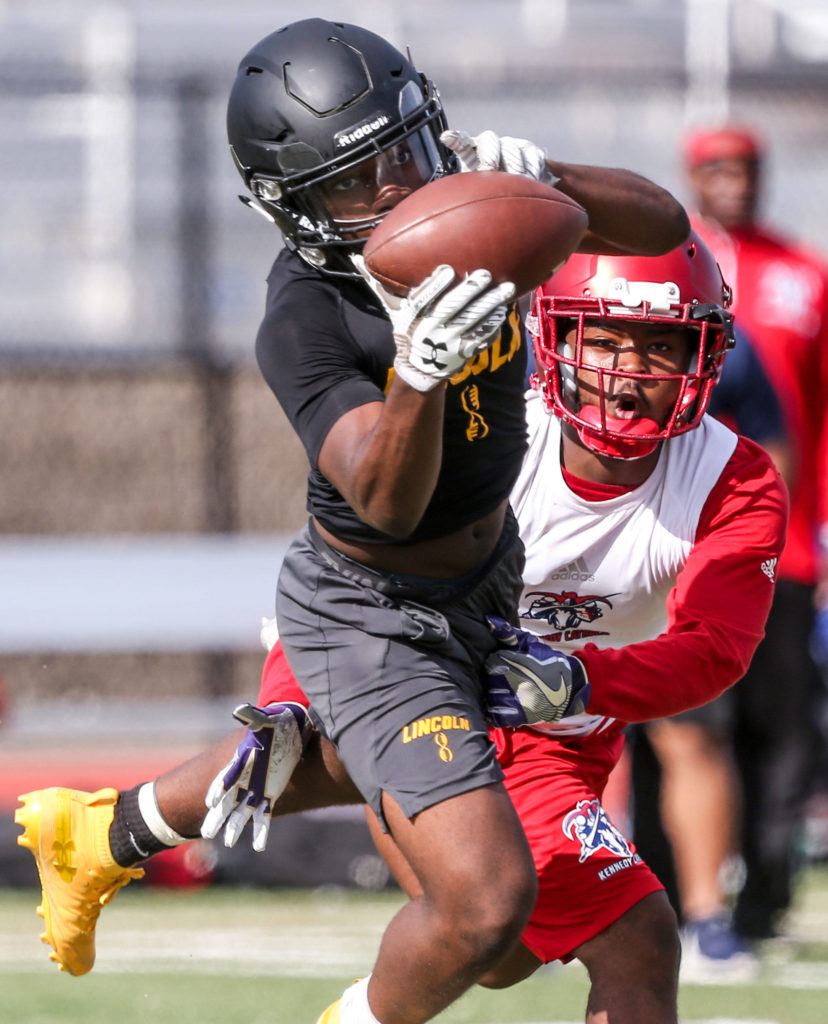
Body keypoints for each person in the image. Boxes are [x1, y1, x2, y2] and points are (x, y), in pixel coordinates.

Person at [14, 17, 692, 1024]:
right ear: (292, 209)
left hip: (486, 581)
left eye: (404, 155)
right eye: (351, 181)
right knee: (486, 903)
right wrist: (418, 368)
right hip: (370, 611)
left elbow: (662, 224)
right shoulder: (306, 315)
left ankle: (111, 830)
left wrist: (550, 177)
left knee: (497, 932)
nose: (393, 193)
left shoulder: (463, 204)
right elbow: (385, 500)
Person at [630, 123, 828, 977]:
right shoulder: (648, 267)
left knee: (769, 733)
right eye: (716, 168)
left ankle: (751, 902)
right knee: (650, 728)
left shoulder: (802, 274)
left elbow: (787, 426)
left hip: (773, 546)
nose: (734, 181)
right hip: (648, 549)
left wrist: (781, 530)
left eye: (746, 166)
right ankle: (653, 897)